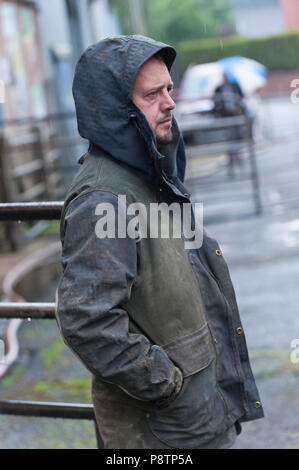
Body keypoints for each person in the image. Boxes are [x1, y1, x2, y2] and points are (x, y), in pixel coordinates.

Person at [55, 35, 263, 449]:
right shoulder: (106, 198)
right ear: (116, 110)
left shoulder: (152, 173)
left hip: (195, 421)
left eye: (169, 88)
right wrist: (166, 383)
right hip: (162, 436)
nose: (170, 102)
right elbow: (87, 319)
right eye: (152, 94)